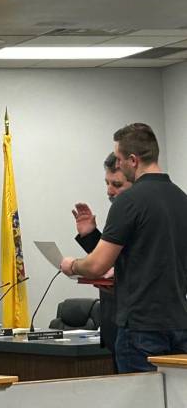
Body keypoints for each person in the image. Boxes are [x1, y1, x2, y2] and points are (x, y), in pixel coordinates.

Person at [61, 123, 187, 373]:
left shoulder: (128, 201)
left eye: (119, 159)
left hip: (140, 329)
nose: (118, 164)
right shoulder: (182, 199)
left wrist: (71, 265)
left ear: (132, 160)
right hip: (179, 324)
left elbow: (98, 265)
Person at [73, 152, 132, 366]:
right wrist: (90, 235)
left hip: (136, 329)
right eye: (107, 183)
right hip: (114, 326)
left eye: (116, 184)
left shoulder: (139, 213)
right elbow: (113, 259)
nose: (109, 191)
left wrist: (73, 266)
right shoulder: (119, 212)